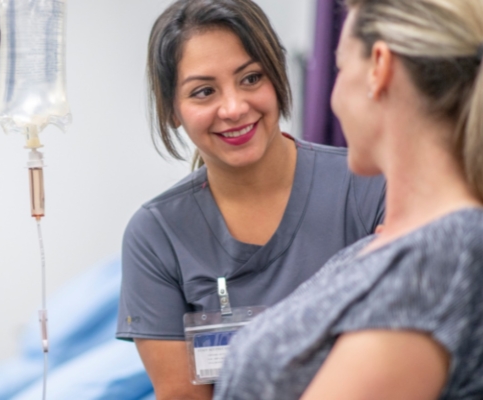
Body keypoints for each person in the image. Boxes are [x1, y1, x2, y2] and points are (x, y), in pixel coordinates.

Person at [116, 0, 385, 399]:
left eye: (251, 78)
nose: (234, 108)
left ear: (276, 77)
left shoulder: (368, 186)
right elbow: (182, 394)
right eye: (203, 91)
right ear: (172, 109)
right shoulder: (156, 235)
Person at [214, 0, 483, 399]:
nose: (335, 97)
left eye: (340, 69)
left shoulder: (446, 254)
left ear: (379, 67)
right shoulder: (383, 249)